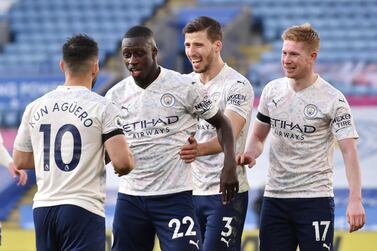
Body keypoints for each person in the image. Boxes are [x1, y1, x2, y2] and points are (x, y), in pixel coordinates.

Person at [105, 25, 238, 251]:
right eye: (127, 54)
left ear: (154, 53)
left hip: (174, 197)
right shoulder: (114, 96)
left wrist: (230, 166)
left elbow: (223, 123)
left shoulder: (184, 86)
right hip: (131, 197)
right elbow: (108, 146)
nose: (132, 60)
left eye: (139, 53)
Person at [236, 23, 366, 251]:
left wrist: (355, 200)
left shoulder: (333, 99)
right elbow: (258, 137)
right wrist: (250, 153)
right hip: (275, 198)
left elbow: (349, 152)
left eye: (294, 54)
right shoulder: (271, 91)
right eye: (284, 53)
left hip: (314, 199)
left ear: (312, 56)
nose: (286, 59)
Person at [12, 34, 134, 251]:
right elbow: (122, 163)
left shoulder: (35, 106)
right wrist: (94, 156)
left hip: (43, 208)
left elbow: (20, 160)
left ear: (62, 65)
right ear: (95, 67)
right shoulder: (102, 107)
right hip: (82, 208)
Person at [180, 16, 254, 251]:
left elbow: (229, 132)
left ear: (217, 45)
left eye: (198, 45)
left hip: (225, 193)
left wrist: (195, 150)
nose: (191, 51)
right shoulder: (183, 85)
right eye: (187, 45)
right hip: (187, 191)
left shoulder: (237, 85)